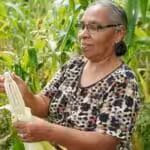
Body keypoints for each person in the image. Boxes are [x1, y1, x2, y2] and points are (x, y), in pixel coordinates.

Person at [0, 1, 141, 150]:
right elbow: (43, 105)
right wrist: (24, 92)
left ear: (118, 34)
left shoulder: (123, 80)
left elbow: (106, 142)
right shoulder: (73, 66)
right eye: (82, 26)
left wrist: (49, 132)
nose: (83, 34)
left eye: (94, 27)